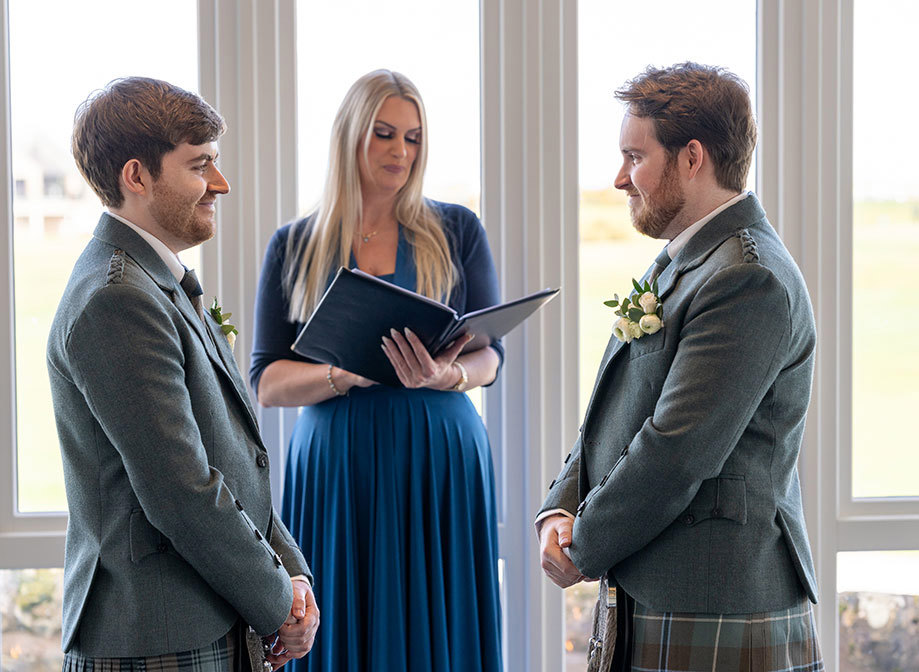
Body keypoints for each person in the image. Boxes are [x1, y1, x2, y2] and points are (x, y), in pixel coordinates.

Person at [537, 63, 824, 671]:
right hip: (661, 587)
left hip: (716, 600)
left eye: (634, 157)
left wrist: (582, 543)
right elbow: (615, 409)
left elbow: (676, 449)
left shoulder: (748, 278)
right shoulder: (686, 259)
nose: (619, 178)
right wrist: (561, 506)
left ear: (692, 157)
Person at [47, 77, 319, 671]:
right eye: (200, 165)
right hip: (158, 637)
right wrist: (278, 602)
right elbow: (181, 490)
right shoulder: (116, 299)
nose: (219, 183)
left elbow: (234, 458)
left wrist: (291, 575)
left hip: (202, 617)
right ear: (137, 176)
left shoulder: (156, 281)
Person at [249, 70, 502, 672]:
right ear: (350, 137)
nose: (400, 151)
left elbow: (491, 357)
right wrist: (346, 374)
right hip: (339, 464)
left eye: (413, 138)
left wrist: (447, 377)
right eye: (384, 134)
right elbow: (266, 380)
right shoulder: (295, 244)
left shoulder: (457, 229)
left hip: (439, 457)